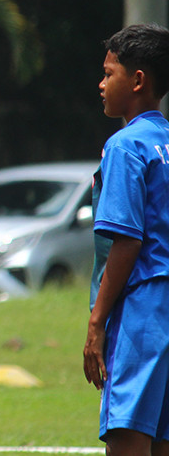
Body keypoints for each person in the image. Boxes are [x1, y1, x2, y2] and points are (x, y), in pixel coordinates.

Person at [83, 23, 169, 456]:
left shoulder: (124, 146)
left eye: (108, 73)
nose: (101, 84)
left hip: (142, 311)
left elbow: (127, 241)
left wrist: (97, 324)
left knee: (128, 439)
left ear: (137, 81)